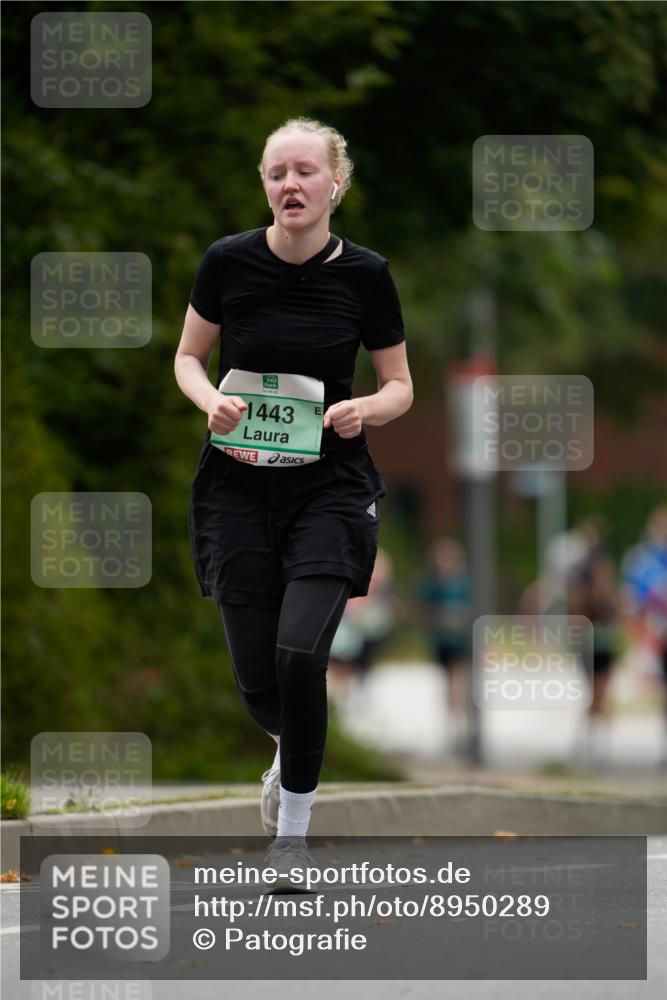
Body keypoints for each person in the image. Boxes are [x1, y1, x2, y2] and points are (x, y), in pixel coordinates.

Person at [174, 116, 413, 889]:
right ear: (265, 184)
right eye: (277, 172)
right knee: (259, 683)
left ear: (334, 184)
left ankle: (292, 839)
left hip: (329, 488)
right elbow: (186, 357)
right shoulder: (227, 263)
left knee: (300, 654)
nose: (290, 185)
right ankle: (293, 746)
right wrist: (208, 398)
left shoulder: (366, 275)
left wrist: (365, 410)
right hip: (237, 488)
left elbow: (401, 386)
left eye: (305, 171)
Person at [414, 537, 471, 755]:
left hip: (460, 639)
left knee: (459, 679)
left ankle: (459, 722)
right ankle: (452, 724)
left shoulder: (464, 582)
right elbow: (424, 610)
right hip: (443, 640)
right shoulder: (430, 583)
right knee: (448, 681)